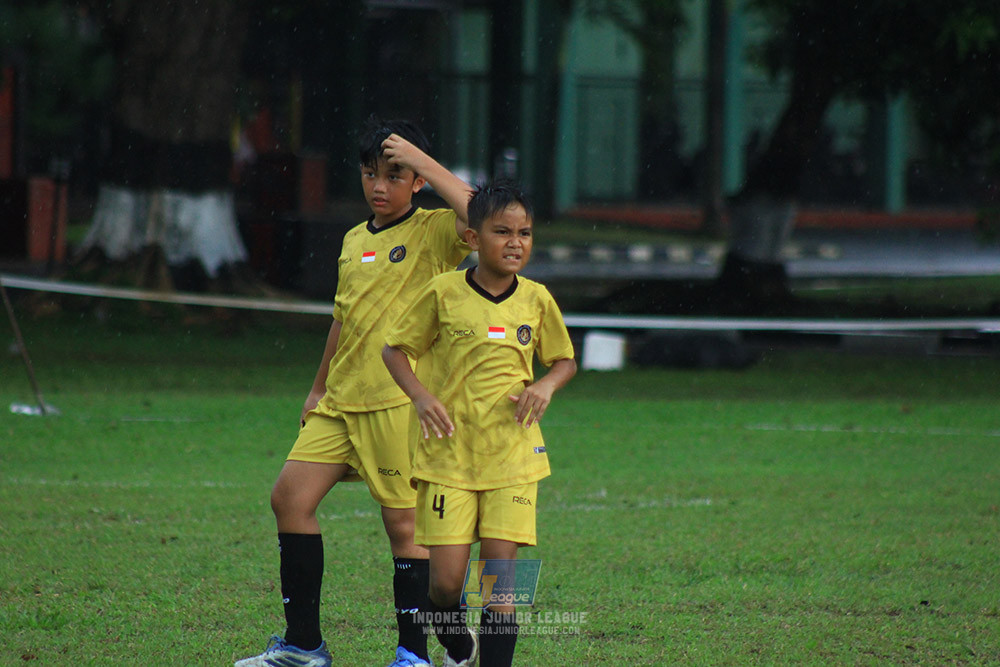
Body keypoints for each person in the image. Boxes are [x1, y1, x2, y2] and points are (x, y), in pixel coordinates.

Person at [236, 117, 473, 667]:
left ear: (418, 181)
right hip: (340, 403)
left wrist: (420, 158)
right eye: (370, 174)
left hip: (398, 403)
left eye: (394, 176)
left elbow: (479, 212)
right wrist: (317, 388)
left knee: (404, 528)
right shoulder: (352, 240)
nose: (379, 187)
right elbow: (343, 320)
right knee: (290, 500)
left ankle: (414, 655)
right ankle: (304, 647)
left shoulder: (434, 231)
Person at [381, 180, 577, 667]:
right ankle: (457, 643)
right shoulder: (443, 292)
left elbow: (564, 360)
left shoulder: (537, 299)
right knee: (446, 585)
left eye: (524, 233)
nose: (515, 243)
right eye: (502, 232)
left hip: (512, 455)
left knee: (499, 582)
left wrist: (545, 386)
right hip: (448, 457)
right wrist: (421, 396)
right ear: (472, 238)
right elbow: (395, 350)